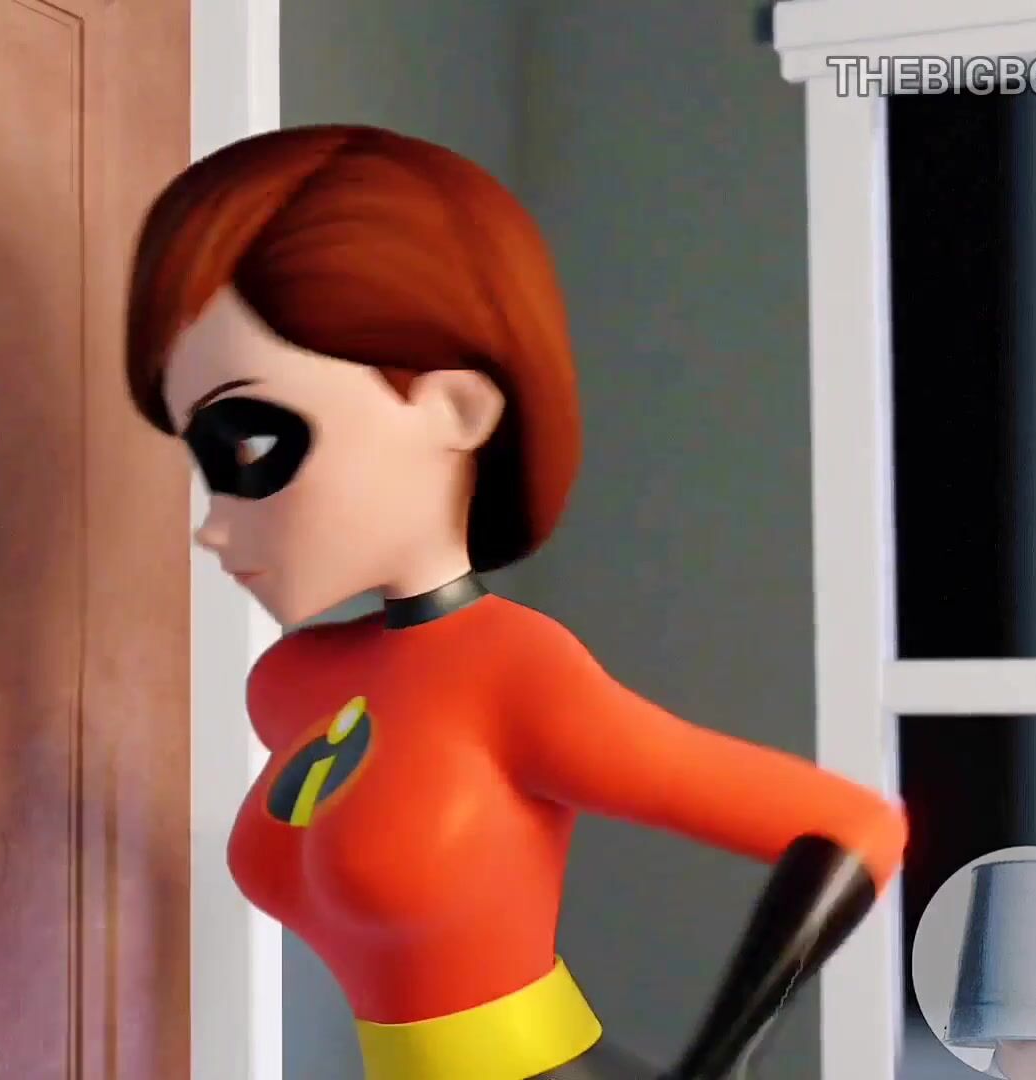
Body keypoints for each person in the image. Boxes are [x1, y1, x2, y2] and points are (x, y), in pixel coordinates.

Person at [124, 124, 909, 1080]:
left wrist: (722, 1063)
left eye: (247, 444)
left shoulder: (514, 673)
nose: (212, 527)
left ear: (457, 410)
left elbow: (855, 826)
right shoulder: (291, 684)